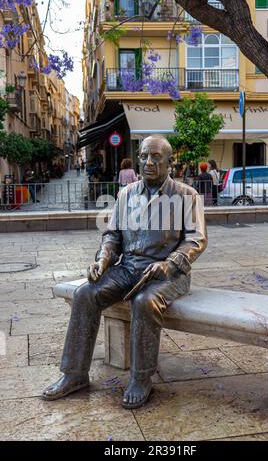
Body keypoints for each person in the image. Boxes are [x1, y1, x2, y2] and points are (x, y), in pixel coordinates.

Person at [42, 135, 207, 409]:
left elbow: (196, 239)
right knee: (85, 294)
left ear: (169, 162)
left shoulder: (186, 195)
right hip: (128, 267)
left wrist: (169, 263)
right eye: (144, 156)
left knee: (144, 301)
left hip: (168, 273)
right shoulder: (126, 193)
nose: (148, 162)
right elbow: (113, 235)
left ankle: (141, 378)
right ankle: (74, 374)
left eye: (156, 157)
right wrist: (103, 261)